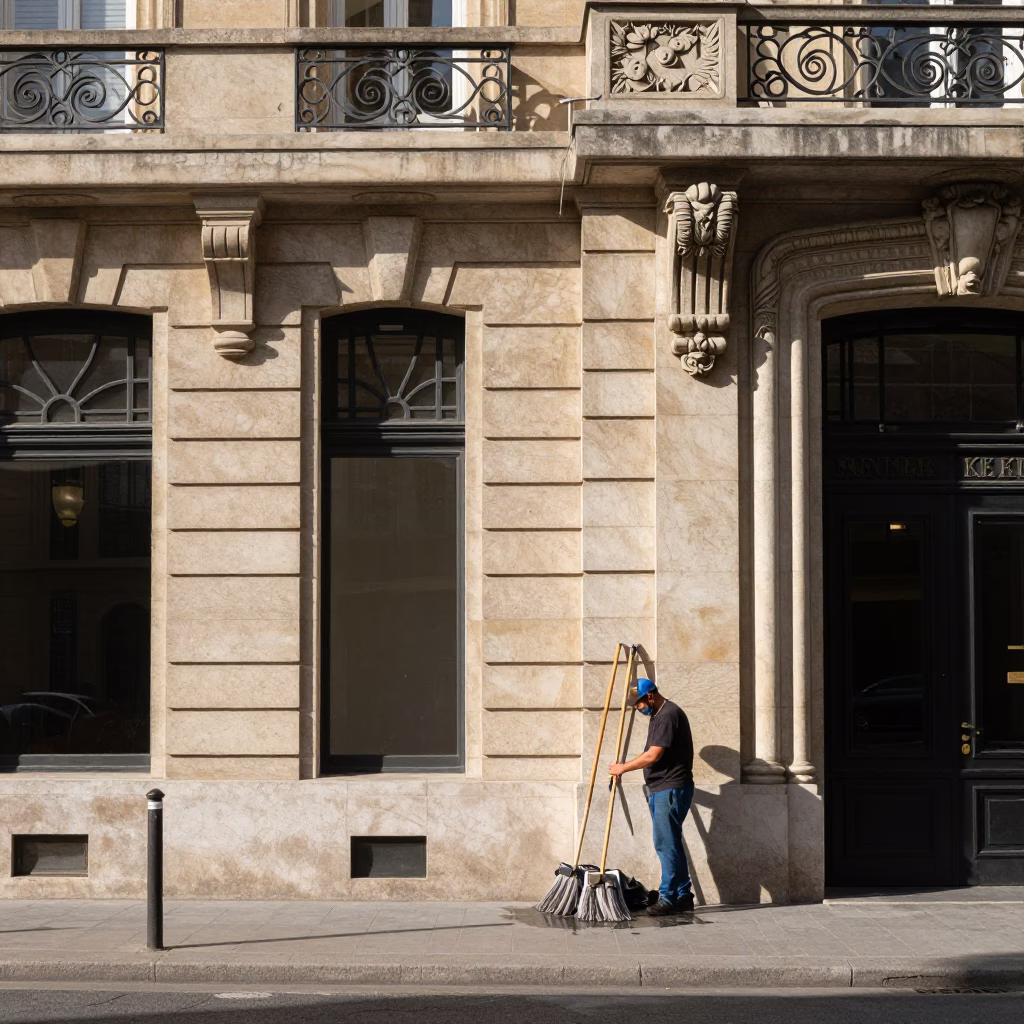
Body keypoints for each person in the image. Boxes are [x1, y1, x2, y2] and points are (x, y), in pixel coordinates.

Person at [607, 677, 695, 915]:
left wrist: (622, 767)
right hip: (664, 788)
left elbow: (653, 755)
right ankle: (684, 895)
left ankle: (668, 898)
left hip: (669, 788)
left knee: (665, 844)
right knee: (672, 843)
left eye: (638, 703)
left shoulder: (667, 715)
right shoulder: (660, 714)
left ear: (649, 696)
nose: (638, 708)